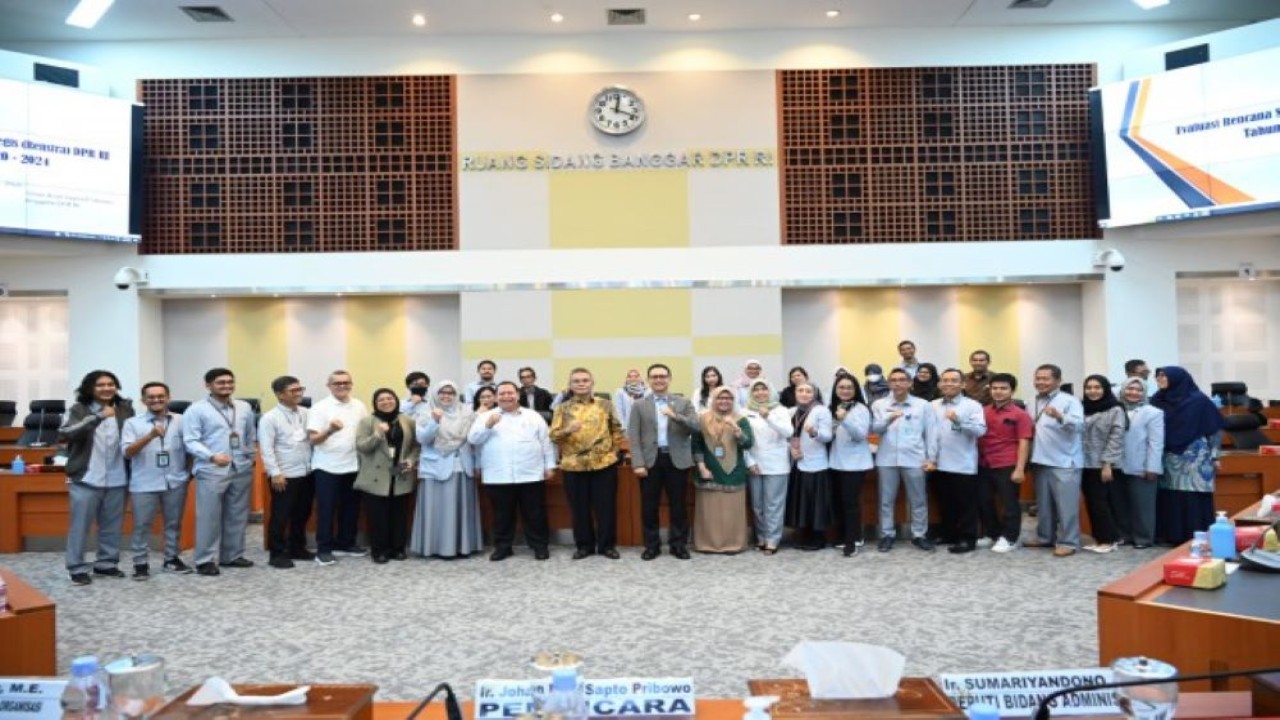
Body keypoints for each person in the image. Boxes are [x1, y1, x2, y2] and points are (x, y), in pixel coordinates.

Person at [59, 370, 134, 585]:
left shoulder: (125, 409)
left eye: (111, 384)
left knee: (112, 524)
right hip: (86, 477)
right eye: (100, 385)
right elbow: (66, 433)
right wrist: (97, 417)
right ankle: (76, 567)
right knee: (80, 526)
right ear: (90, 388)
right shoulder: (78, 409)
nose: (106, 388)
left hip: (118, 477)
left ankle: (106, 564)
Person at [468, 381, 557, 561]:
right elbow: (473, 440)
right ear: (495, 396)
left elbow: (546, 443)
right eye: (502, 394)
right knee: (502, 515)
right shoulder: (486, 416)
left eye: (510, 393)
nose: (506, 397)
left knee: (534, 513)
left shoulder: (533, 416)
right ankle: (503, 547)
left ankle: (539, 546)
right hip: (498, 475)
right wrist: (488, 425)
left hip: (530, 473)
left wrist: (549, 465)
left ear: (517, 395)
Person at [182, 367, 257, 576]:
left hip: (240, 467)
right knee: (209, 517)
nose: (226, 386)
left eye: (230, 382)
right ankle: (204, 560)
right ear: (208, 386)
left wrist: (250, 457)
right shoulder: (196, 410)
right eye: (220, 382)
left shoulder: (244, 407)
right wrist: (211, 456)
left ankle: (232, 555)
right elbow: (191, 440)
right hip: (212, 469)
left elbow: (250, 434)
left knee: (238, 514)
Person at [550, 368, 626, 560]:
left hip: (604, 464)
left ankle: (607, 546)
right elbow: (553, 435)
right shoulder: (562, 408)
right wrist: (568, 429)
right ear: (570, 385)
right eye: (576, 381)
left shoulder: (605, 404)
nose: (581, 383)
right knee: (579, 508)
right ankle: (584, 546)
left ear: (592, 383)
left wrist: (614, 453)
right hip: (573, 466)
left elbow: (617, 430)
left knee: (606, 508)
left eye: (585, 380)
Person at [628, 363, 700, 560]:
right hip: (651, 460)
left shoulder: (683, 402)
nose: (659, 380)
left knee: (679, 505)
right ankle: (652, 546)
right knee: (649, 506)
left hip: (677, 459)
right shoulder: (639, 405)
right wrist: (638, 462)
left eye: (662, 376)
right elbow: (633, 435)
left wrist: (675, 416)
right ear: (649, 380)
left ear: (669, 379)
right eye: (654, 377)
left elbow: (695, 427)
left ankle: (679, 545)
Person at [122, 381, 192, 579]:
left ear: (168, 398)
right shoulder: (132, 423)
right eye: (151, 397)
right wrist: (150, 435)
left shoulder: (182, 420)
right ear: (143, 400)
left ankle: (171, 559)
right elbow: (127, 452)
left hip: (175, 481)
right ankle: (140, 563)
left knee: (173, 523)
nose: (156, 400)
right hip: (144, 483)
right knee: (142, 525)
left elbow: (190, 449)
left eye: (161, 396)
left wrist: (186, 474)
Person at [1150, 366, 1224, 544]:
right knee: (1171, 496)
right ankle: (1172, 535)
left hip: (1194, 456)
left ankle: (1197, 535)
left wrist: (1215, 456)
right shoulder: (1156, 400)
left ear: (1177, 378)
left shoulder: (1198, 400)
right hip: (1167, 456)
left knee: (1193, 496)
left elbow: (1214, 430)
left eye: (1163, 376)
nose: (1159, 379)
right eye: (1157, 376)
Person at [411, 381, 483, 559]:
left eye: (451, 392)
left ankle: (463, 546)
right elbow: (422, 439)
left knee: (462, 510)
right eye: (442, 392)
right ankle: (435, 547)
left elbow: (474, 441)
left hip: (463, 467)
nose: (446, 396)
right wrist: (435, 422)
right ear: (435, 394)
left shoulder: (467, 413)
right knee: (437, 511)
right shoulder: (425, 413)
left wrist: (477, 464)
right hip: (436, 468)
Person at [870, 368, 939, 552]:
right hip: (886, 458)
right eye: (893, 380)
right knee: (886, 499)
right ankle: (887, 534)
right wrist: (888, 419)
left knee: (918, 499)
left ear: (910, 383)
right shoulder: (879, 405)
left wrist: (931, 458)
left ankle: (919, 535)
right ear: (889, 383)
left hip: (915, 458)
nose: (897, 383)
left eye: (902, 380)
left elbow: (931, 433)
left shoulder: (923, 405)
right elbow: (874, 429)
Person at [306, 370, 370, 566]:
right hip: (327, 467)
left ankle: (346, 543)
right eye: (337, 383)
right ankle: (323, 550)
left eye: (346, 383)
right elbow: (313, 440)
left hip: (353, 464)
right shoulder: (319, 408)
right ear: (329, 386)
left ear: (351, 384)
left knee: (351, 508)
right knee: (326, 509)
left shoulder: (359, 405)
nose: (342, 386)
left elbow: (365, 432)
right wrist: (330, 430)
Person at [354, 388, 421, 564]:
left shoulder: (407, 421)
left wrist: (411, 460)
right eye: (381, 400)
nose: (386, 402)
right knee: (378, 516)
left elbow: (416, 445)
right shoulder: (367, 422)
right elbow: (362, 446)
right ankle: (379, 551)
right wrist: (378, 434)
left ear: (396, 400)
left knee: (399, 514)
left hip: (399, 472)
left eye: (389, 398)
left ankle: (398, 549)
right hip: (375, 475)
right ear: (375, 404)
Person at [1027, 364, 1086, 557]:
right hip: (1040, 459)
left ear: (1058, 381)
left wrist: (1060, 416)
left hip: (1064, 461)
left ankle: (1069, 542)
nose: (1040, 382)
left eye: (1045, 378)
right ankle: (1045, 537)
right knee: (1044, 505)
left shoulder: (1070, 401)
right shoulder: (1033, 401)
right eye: (1038, 378)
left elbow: (1079, 425)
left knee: (1066, 506)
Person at [257, 375, 314, 569]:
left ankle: (297, 548)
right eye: (293, 390)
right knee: (281, 516)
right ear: (280, 394)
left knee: (302, 513)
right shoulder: (270, 418)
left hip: (306, 472)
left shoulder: (306, 412)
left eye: (300, 389)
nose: (299, 393)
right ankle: (277, 553)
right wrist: (275, 473)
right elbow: (266, 448)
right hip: (285, 475)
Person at [931, 368, 988, 554]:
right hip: (938, 462)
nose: (948, 383)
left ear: (963, 384)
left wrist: (959, 421)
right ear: (939, 384)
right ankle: (949, 534)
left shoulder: (972, 406)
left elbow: (980, 431)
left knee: (965, 504)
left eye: (954, 380)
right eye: (945, 380)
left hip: (962, 463)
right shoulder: (932, 405)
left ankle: (967, 538)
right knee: (945, 502)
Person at [692, 385, 754, 553]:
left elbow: (748, 444)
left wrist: (736, 429)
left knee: (731, 512)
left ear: (733, 401)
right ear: (714, 399)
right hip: (708, 470)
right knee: (710, 512)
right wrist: (702, 467)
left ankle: (733, 544)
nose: (724, 401)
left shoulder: (741, 419)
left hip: (734, 472)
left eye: (728, 398)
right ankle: (707, 544)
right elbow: (696, 445)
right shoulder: (702, 418)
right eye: (720, 398)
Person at [976, 373, 1032, 553]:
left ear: (1012, 391)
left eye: (1003, 388)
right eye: (995, 388)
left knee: (1010, 504)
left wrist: (1020, 468)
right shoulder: (983, 411)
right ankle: (992, 534)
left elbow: (1024, 441)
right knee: (984, 501)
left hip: (1008, 463)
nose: (998, 392)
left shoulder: (1020, 414)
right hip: (984, 462)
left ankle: (1010, 538)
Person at [742, 380, 791, 554]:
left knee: (773, 504)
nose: (760, 392)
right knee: (757, 505)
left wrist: (768, 417)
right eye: (756, 389)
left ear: (770, 391)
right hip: (754, 463)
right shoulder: (744, 411)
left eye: (764, 389)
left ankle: (773, 539)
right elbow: (743, 441)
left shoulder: (781, 410)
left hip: (777, 463)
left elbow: (788, 432)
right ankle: (761, 537)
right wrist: (750, 462)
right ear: (751, 393)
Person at [784, 382, 834, 550]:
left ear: (814, 394)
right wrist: (791, 449)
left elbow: (827, 436)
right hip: (797, 462)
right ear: (795, 393)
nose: (804, 394)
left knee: (815, 503)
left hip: (816, 464)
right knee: (800, 502)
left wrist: (814, 432)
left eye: (808, 391)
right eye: (800, 390)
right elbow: (786, 436)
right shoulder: (792, 411)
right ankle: (801, 535)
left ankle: (817, 538)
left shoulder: (821, 410)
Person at [828, 373, 873, 557]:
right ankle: (843, 536)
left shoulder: (861, 408)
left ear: (855, 390)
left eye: (849, 387)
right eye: (841, 387)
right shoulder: (832, 407)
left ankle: (852, 541)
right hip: (836, 461)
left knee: (850, 503)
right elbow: (830, 433)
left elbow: (860, 435)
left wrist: (844, 419)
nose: (845, 391)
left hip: (855, 464)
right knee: (839, 501)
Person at [1116, 377, 1164, 549]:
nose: (1134, 393)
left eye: (1139, 390)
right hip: (1117, 465)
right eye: (1130, 389)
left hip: (1141, 465)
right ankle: (1125, 535)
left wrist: (1152, 467)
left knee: (1143, 506)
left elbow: (1156, 443)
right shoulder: (1116, 409)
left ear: (1144, 392)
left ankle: (1143, 538)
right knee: (1120, 504)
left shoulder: (1153, 412)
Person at [1081, 374, 1126, 554]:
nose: (1093, 391)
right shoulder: (1082, 407)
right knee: (1091, 502)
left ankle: (1110, 539)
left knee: (1101, 503)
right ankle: (1099, 538)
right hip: (1084, 463)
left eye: (1097, 387)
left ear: (1105, 389)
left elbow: (1116, 437)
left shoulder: (1115, 409)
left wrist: (1107, 463)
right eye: (1089, 387)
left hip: (1103, 464)